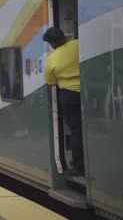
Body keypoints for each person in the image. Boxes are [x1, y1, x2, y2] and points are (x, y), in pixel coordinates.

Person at [43, 27, 84, 176]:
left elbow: (50, 81)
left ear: (53, 43)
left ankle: (79, 167)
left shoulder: (53, 58)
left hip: (69, 95)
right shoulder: (80, 44)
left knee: (76, 131)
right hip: (89, 92)